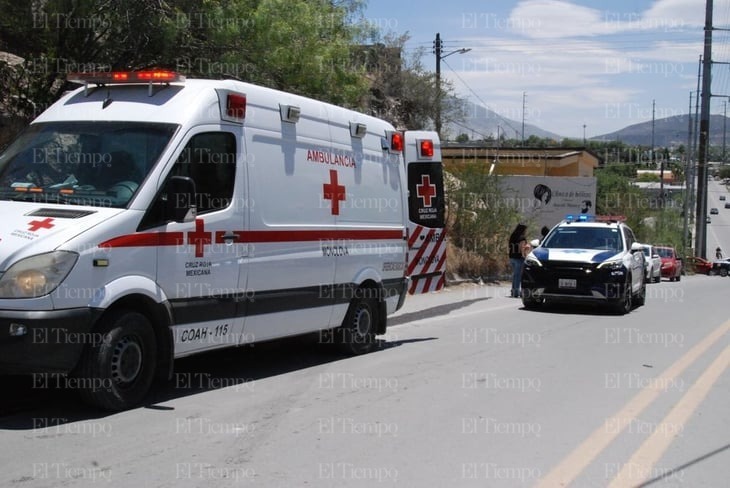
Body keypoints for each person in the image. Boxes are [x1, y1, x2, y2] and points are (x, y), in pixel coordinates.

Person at [508, 223, 529, 298]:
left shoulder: (513, 236)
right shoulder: (522, 238)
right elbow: (521, 248)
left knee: (515, 275)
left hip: (512, 257)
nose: (526, 231)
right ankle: (516, 292)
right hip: (519, 258)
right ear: (523, 230)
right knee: (518, 276)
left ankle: (513, 291)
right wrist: (525, 255)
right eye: (525, 230)